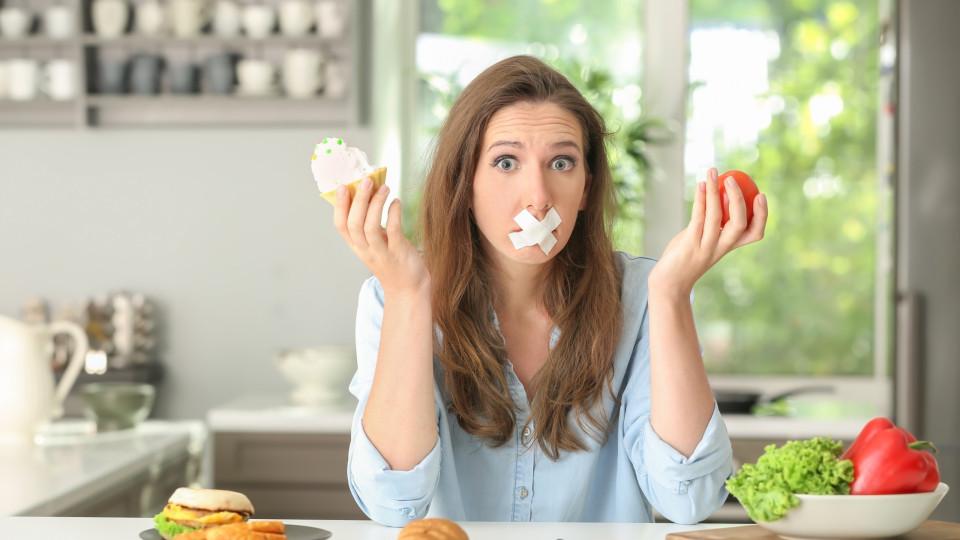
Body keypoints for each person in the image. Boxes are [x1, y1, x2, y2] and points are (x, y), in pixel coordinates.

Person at [332, 55, 768, 526]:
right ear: (465, 183)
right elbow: (392, 503)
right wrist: (407, 299)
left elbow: (690, 500)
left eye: (561, 162)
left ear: (585, 188)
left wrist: (671, 293)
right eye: (505, 162)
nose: (538, 195)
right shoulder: (393, 297)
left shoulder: (642, 298)